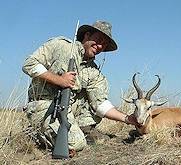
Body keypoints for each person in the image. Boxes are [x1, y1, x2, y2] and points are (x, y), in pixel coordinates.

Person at [22, 20, 139, 155]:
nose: (100, 46)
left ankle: (80, 128)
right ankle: (33, 134)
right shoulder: (61, 45)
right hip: (44, 105)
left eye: (104, 45)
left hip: (68, 111)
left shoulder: (94, 72)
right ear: (87, 35)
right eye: (99, 39)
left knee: (89, 107)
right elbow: (29, 64)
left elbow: (100, 104)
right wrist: (59, 80)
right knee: (77, 144)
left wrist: (127, 119)